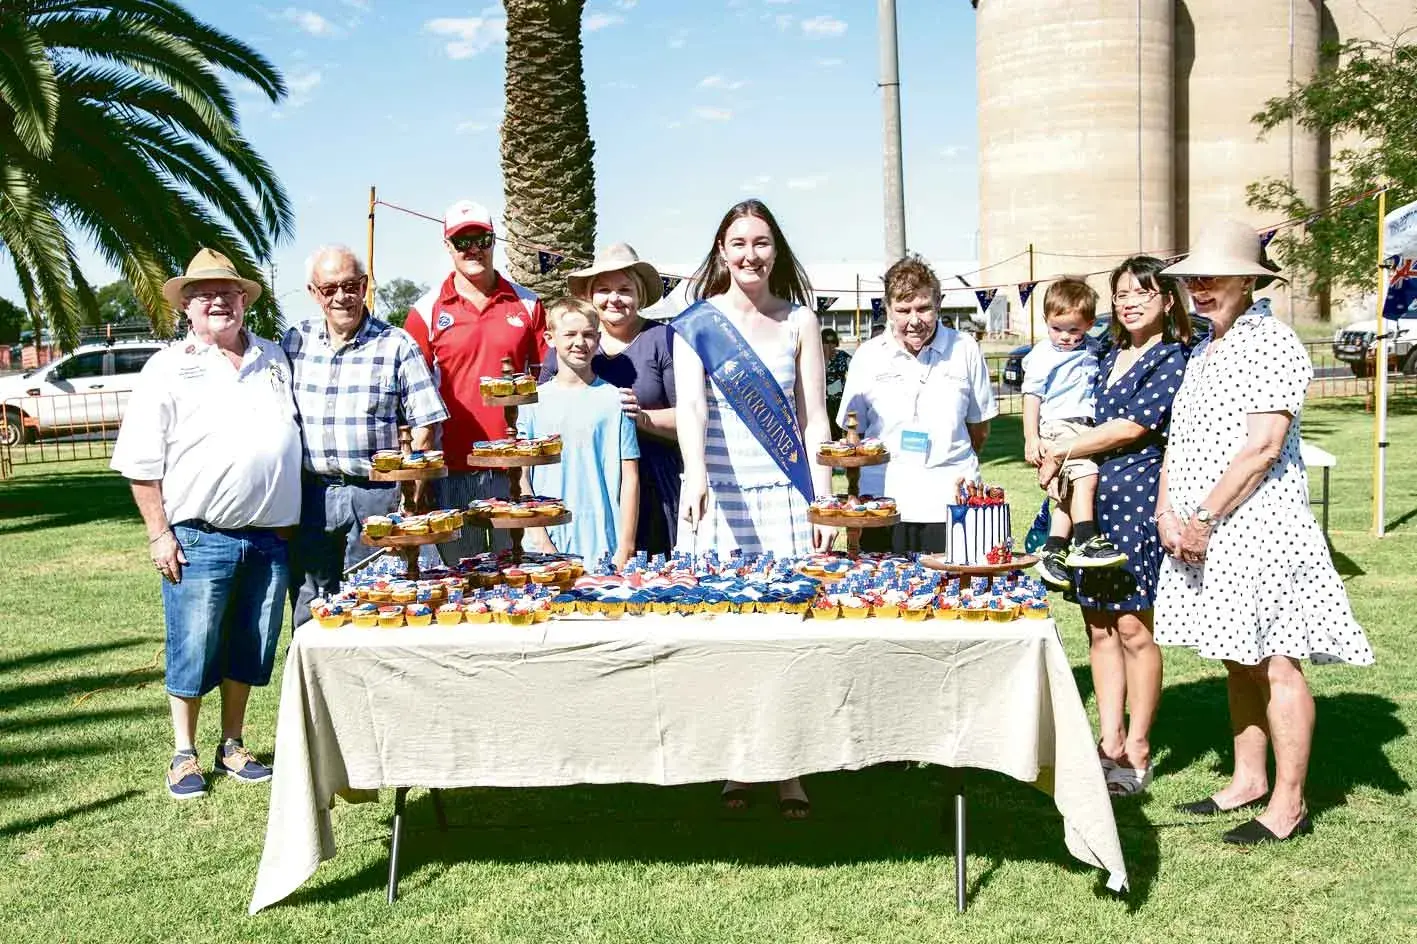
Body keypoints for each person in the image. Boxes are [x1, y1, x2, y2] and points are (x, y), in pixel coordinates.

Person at [1154, 221, 1372, 843]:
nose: (1200, 286)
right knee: (1236, 657)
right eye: (1193, 277)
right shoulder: (1203, 349)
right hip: (1202, 528)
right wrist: (1169, 512)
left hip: (1258, 529)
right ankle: (1247, 779)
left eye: (1213, 275)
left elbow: (1263, 447)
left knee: (1275, 662)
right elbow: (1181, 443)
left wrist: (1203, 518)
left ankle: (1288, 803)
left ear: (1248, 280)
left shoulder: (1272, 343)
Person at [110, 249, 302, 799]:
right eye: (204, 294)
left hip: (269, 538)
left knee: (252, 642)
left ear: (245, 301)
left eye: (229, 292)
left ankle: (234, 743)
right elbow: (141, 463)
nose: (219, 300)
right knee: (193, 644)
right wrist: (158, 533)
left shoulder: (274, 359)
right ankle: (183, 752)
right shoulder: (168, 367)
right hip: (199, 537)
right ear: (186, 308)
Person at [673, 198, 832, 818]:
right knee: (727, 634)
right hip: (721, 501)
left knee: (786, 635)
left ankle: (789, 769)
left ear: (776, 250)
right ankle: (735, 763)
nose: (749, 255)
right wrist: (695, 474)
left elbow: (814, 415)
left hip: (786, 496)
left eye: (761, 243)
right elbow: (692, 410)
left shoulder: (801, 322)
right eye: (737, 243)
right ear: (721, 251)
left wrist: (821, 499)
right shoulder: (697, 324)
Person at [1036, 255, 1191, 797]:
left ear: (1167, 301)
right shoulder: (1101, 353)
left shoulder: (1172, 358)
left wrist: (1062, 447)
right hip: (1087, 496)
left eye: (1141, 294)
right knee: (1098, 626)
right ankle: (1109, 741)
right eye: (1121, 293)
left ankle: (1139, 749)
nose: (1128, 303)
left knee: (1133, 627)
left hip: (1134, 496)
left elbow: (1132, 426)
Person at [282, 246, 448, 626]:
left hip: (376, 495)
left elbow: (426, 425)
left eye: (351, 285)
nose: (343, 297)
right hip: (312, 496)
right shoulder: (294, 342)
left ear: (364, 286)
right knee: (311, 605)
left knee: (377, 601)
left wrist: (413, 498)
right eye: (330, 289)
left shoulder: (397, 344)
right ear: (313, 292)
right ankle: (314, 682)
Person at [405, 199, 548, 563]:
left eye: (481, 239)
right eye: (462, 241)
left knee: (517, 579)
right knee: (461, 581)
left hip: (516, 470)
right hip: (453, 469)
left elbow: (547, 381)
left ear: (494, 241)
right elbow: (411, 399)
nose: (473, 249)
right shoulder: (425, 312)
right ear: (447, 247)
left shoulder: (528, 304)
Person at [837, 254, 997, 554]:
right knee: (885, 598)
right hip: (883, 503)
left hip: (952, 502)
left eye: (923, 308)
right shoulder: (867, 356)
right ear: (887, 309)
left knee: (955, 597)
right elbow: (852, 435)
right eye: (903, 310)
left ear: (938, 304)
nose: (914, 320)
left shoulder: (966, 349)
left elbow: (980, 431)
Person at [538, 243, 681, 556]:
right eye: (603, 289)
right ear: (590, 295)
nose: (614, 298)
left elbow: (694, 418)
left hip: (654, 487)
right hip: (589, 487)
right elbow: (545, 417)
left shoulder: (664, 340)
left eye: (624, 289)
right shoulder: (569, 345)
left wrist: (643, 419)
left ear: (639, 294)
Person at [520, 298, 640, 570]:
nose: (579, 342)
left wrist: (626, 546)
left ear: (598, 339)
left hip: (604, 543)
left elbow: (630, 476)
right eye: (570, 334)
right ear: (550, 338)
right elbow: (521, 478)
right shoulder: (531, 402)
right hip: (545, 545)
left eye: (587, 335)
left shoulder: (616, 400)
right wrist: (540, 539)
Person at [1024, 277, 1127, 586]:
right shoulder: (1044, 355)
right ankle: (1086, 539)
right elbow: (1032, 396)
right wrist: (1031, 438)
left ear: (1089, 324)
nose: (1065, 338)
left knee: (1066, 491)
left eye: (1074, 330)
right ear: (1046, 322)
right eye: (1057, 329)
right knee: (1086, 475)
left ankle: (1054, 549)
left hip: (1085, 425)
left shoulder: (1094, 348)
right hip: (1059, 424)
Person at [822, 327, 851, 439]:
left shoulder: (842, 356)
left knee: (839, 431)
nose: (830, 345)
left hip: (839, 400)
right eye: (826, 342)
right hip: (822, 400)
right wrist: (825, 358)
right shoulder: (815, 357)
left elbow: (856, 369)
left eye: (832, 342)